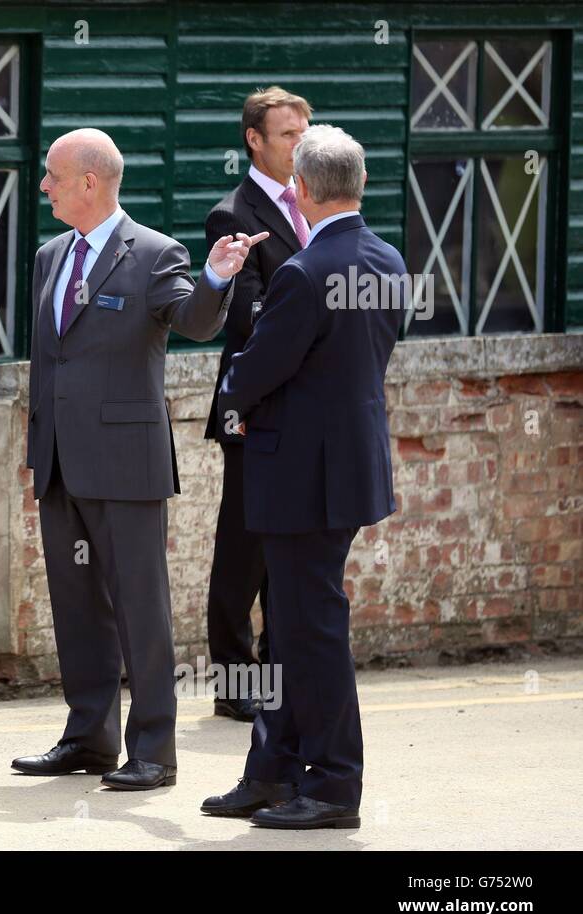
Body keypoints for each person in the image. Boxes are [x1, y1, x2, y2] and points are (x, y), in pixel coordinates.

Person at [11, 127, 267, 791]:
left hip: (127, 463)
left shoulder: (155, 253)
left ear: (89, 183)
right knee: (76, 605)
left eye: (53, 177)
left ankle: (153, 751)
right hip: (61, 461)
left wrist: (218, 276)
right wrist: (39, 448)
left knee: (140, 609)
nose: (44, 186)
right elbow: (51, 361)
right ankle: (87, 738)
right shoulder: (48, 257)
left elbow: (196, 322)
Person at [202, 125, 405, 829]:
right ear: (360, 186)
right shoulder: (388, 260)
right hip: (345, 470)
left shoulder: (302, 272)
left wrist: (235, 393)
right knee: (290, 627)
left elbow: (258, 367)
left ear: (302, 191)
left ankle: (333, 785)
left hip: (298, 474)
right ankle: (274, 771)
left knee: (311, 630)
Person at [203, 87, 312, 722]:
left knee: (288, 545)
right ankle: (234, 682)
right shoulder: (233, 214)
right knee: (242, 548)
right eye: (288, 134)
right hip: (252, 406)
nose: (301, 142)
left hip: (306, 408)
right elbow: (245, 314)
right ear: (255, 140)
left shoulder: (316, 205)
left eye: (305, 130)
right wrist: (316, 320)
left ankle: (280, 673)